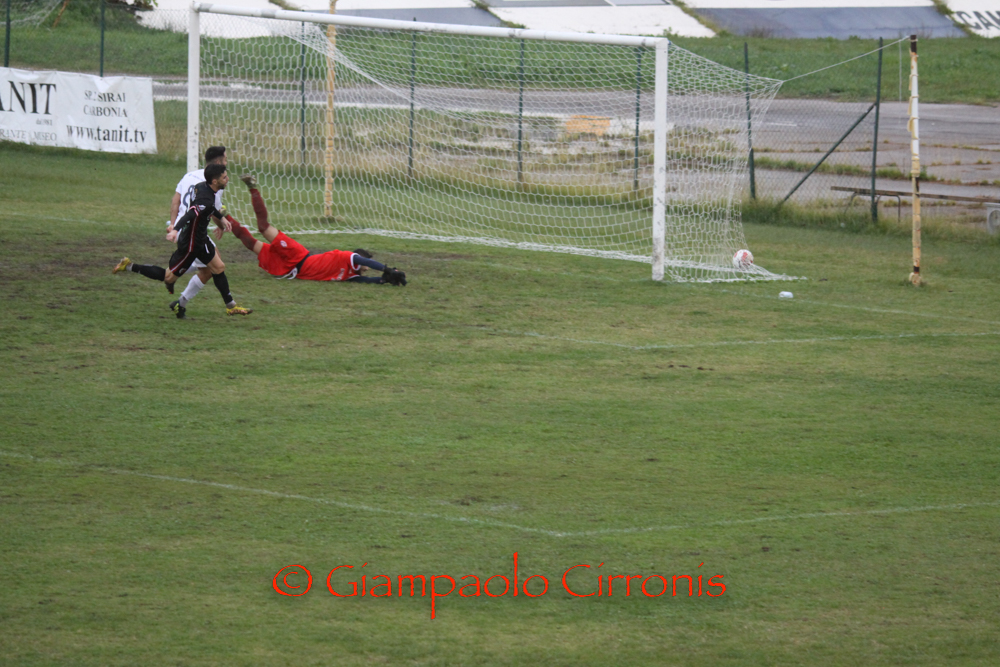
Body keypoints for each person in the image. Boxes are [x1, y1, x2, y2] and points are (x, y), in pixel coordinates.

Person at [112, 163, 253, 318]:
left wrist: (221, 218)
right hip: (191, 244)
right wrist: (175, 230)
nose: (228, 179)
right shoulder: (204, 199)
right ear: (214, 181)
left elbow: (209, 207)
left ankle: (231, 306)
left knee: (218, 267)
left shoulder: (202, 187)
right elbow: (190, 214)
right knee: (168, 277)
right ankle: (129, 266)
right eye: (224, 177)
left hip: (201, 239)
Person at [228, 174, 407, 286]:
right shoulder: (347, 257)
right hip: (297, 255)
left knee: (250, 243)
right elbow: (365, 262)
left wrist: (384, 280)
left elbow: (365, 280)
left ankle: (222, 215)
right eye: (364, 267)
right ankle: (252, 186)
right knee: (263, 228)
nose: (365, 269)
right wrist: (386, 268)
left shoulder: (349, 276)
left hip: (289, 270)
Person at [164, 146, 236, 307]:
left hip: (182, 229)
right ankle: (177, 295)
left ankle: (179, 300)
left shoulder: (189, 176)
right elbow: (211, 211)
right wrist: (222, 225)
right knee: (212, 268)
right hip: (192, 232)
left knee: (210, 266)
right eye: (225, 159)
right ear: (218, 162)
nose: (226, 162)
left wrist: (173, 224)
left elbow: (176, 201)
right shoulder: (214, 183)